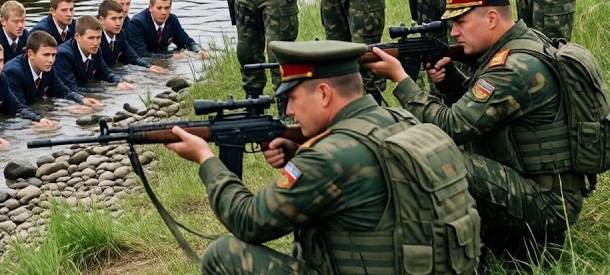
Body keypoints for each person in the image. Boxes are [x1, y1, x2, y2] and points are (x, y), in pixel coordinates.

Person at [166, 40, 474, 275]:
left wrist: (206, 160)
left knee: (223, 254)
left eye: (293, 98)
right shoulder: (399, 119)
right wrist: (296, 155)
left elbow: (249, 221)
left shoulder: (328, 157)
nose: (288, 111)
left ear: (324, 93)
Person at [366, 0, 585, 262]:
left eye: (461, 23)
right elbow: (487, 115)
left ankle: (460, 255)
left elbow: (451, 128)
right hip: (537, 187)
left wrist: (401, 80)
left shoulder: (513, 67)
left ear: (491, 18)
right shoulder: (522, 44)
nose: (454, 33)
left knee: (437, 158)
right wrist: (450, 83)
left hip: (547, 204)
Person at [2, 31, 99, 122]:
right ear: (30, 54)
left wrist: (82, 99)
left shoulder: (47, 68)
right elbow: (18, 108)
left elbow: (63, 91)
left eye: (53, 55)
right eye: (46, 55)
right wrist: (60, 112)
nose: (51, 60)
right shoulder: (13, 73)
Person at [53, 15, 133, 96]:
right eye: (91, 38)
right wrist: (110, 90)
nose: (96, 43)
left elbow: (106, 72)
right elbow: (72, 89)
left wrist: (119, 82)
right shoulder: (63, 55)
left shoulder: (95, 50)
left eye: (98, 38)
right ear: (77, 37)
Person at [125, 0, 206, 59]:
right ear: (150, 8)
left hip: (160, 54)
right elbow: (140, 54)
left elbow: (186, 41)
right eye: (159, 8)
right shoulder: (137, 23)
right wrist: (171, 57)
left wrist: (198, 50)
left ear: (170, 8)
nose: (163, 12)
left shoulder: (172, 20)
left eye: (166, 8)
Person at [97, 0, 166, 74]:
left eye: (120, 18)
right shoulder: (95, 39)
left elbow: (133, 57)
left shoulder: (121, 34)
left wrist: (149, 66)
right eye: (113, 19)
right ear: (101, 20)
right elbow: (101, 69)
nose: (118, 23)